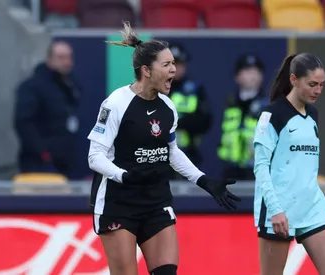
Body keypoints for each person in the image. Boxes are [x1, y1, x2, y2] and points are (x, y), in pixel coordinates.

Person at [87, 22, 240, 275]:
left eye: (174, 64)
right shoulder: (116, 103)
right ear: (146, 70)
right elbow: (94, 157)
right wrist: (124, 176)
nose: (174, 70)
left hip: (156, 201)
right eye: (167, 65)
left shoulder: (168, 106)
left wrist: (203, 181)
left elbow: (171, 151)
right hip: (118, 204)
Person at [253, 53, 325, 275]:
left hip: (312, 206)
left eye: (321, 85)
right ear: (294, 80)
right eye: (312, 84)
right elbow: (261, 167)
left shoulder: (313, 114)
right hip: (280, 208)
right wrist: (275, 210)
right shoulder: (271, 116)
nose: (318, 90)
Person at [14, 40, 81, 178]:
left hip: (66, 161)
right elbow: (23, 122)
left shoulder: (71, 86)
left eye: (69, 57)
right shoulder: (32, 87)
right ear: (49, 59)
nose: (66, 62)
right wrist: (43, 153)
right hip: (39, 163)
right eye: (61, 57)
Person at [218, 54, 269, 180]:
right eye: (247, 71)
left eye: (256, 71)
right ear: (237, 76)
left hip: (257, 169)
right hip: (230, 168)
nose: (252, 75)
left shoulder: (268, 105)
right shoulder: (230, 102)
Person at [168, 43, 212, 167]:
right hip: (158, 156)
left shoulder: (195, 89)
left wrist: (178, 121)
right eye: (170, 63)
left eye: (179, 64)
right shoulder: (153, 89)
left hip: (188, 155)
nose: (175, 68)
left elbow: (205, 121)